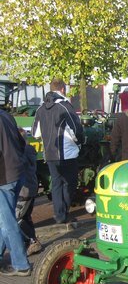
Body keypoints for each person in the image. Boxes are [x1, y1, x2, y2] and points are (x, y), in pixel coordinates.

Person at [32, 78, 83, 225]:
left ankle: (59, 214)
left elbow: (36, 133)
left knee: (56, 184)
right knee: (70, 184)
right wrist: (79, 143)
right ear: (62, 89)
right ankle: (63, 215)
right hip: (67, 153)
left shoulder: (40, 108)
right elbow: (76, 129)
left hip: (49, 153)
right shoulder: (65, 106)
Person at [0, 109, 31, 277]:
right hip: (17, 172)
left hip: (4, 178)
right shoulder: (6, 115)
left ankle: (21, 264)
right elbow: (21, 142)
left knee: (7, 222)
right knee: (4, 219)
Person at [16, 128, 42, 255]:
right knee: (26, 217)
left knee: (17, 217)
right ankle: (31, 240)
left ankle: (32, 241)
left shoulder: (21, 153)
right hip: (32, 187)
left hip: (23, 190)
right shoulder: (30, 150)